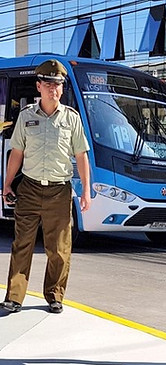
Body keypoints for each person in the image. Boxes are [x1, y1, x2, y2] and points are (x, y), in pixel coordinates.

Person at [0, 59, 91, 315]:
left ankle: (54, 296)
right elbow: (16, 152)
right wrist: (7, 184)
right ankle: (14, 297)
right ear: (39, 86)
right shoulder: (27, 116)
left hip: (59, 191)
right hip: (29, 188)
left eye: (58, 85)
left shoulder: (71, 118)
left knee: (59, 249)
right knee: (22, 244)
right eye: (49, 84)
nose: (54, 89)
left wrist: (86, 190)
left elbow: (81, 155)